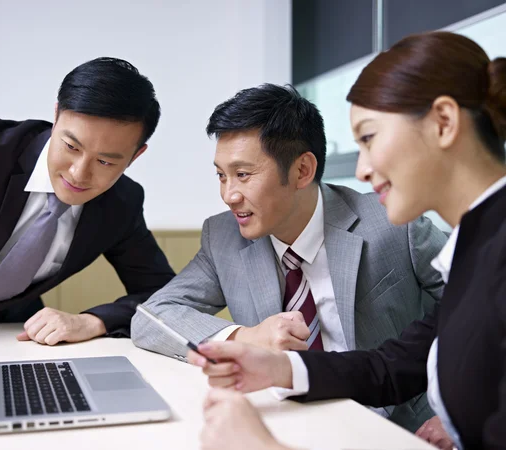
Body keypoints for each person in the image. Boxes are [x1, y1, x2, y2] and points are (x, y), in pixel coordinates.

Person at [188, 31, 506, 450]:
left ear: (444, 123)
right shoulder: (477, 247)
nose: (361, 169)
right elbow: (393, 366)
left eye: (369, 138)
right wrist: (279, 368)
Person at [131, 83, 449, 431]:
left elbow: (483, 315)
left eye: (242, 174)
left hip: (402, 426)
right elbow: (151, 317)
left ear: (302, 171)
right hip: (288, 425)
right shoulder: (223, 238)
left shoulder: (392, 223)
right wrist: (246, 337)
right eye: (220, 175)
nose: (228, 195)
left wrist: (452, 413)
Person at [0, 57, 175, 344]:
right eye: (71, 146)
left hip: (4, 338)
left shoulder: (122, 203)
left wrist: (93, 321)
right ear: (57, 114)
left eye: (105, 162)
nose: (78, 173)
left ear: (136, 155)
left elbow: (163, 294)